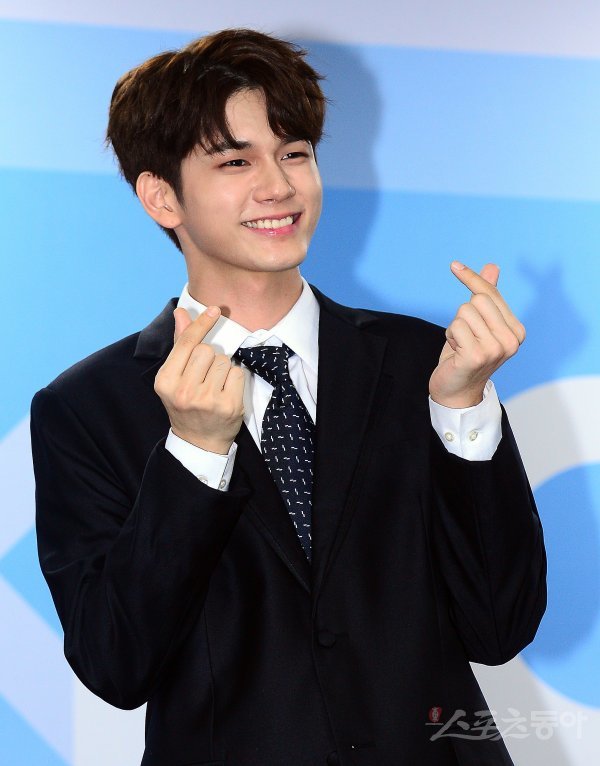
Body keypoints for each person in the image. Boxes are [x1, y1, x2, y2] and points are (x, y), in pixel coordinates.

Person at [31, 28, 546, 766]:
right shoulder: (87, 408)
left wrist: (461, 412)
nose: (278, 186)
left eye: (295, 153)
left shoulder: (424, 364)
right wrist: (193, 455)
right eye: (235, 161)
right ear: (161, 196)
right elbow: (115, 665)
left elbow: (499, 628)